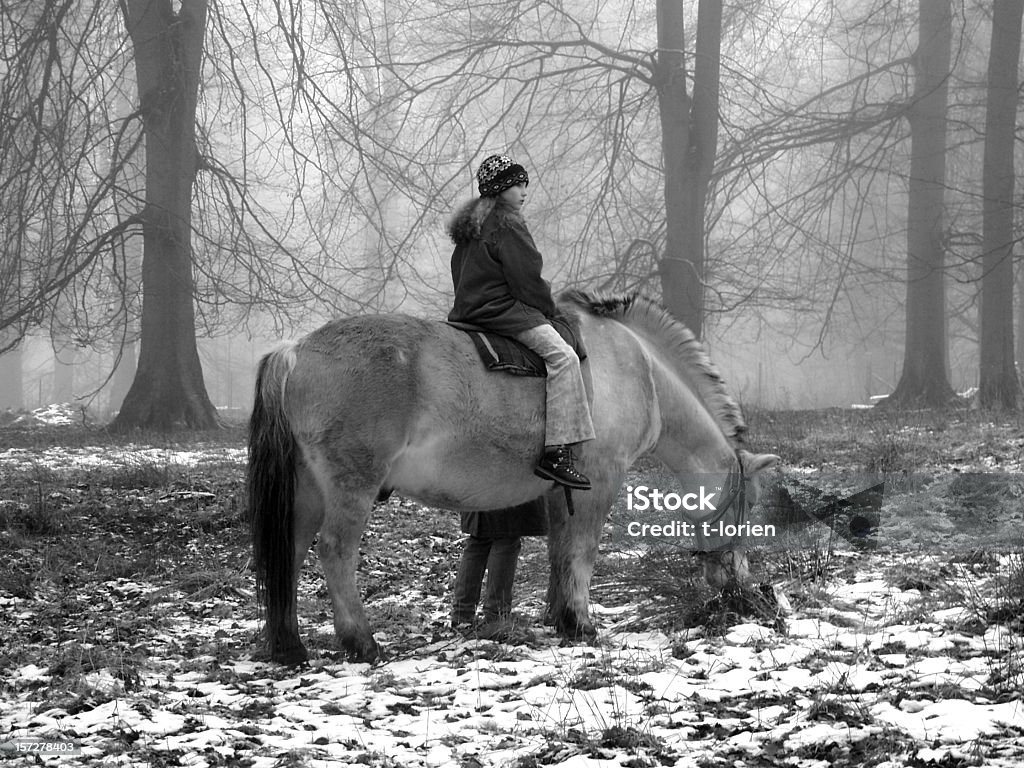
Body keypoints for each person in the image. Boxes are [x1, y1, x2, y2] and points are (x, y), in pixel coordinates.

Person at [448, 153, 595, 489]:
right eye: (518, 184)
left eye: (524, 183)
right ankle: (557, 452)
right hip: (504, 314)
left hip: (469, 314)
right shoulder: (508, 224)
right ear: (501, 189)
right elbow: (527, 280)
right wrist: (550, 311)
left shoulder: (471, 226)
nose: (524, 190)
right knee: (564, 357)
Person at [451, 497, 548, 634]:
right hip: (503, 489)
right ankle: (495, 617)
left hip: (478, 489)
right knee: (505, 539)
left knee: (478, 541)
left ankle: (462, 615)